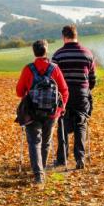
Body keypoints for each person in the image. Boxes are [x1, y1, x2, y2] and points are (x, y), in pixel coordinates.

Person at [16, 40, 69, 184]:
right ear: (46, 51)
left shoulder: (28, 69)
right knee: (46, 142)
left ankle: (38, 174)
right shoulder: (55, 69)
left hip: (32, 112)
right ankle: (42, 169)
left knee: (34, 142)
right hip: (52, 113)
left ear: (34, 52)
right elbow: (64, 90)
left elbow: (19, 92)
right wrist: (61, 108)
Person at [52, 24, 96, 170]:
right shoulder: (88, 54)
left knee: (62, 125)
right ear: (76, 35)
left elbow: (53, 79)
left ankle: (62, 159)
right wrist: (86, 89)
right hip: (81, 94)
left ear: (63, 37)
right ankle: (80, 158)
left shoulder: (58, 55)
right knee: (81, 124)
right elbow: (92, 78)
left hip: (64, 95)